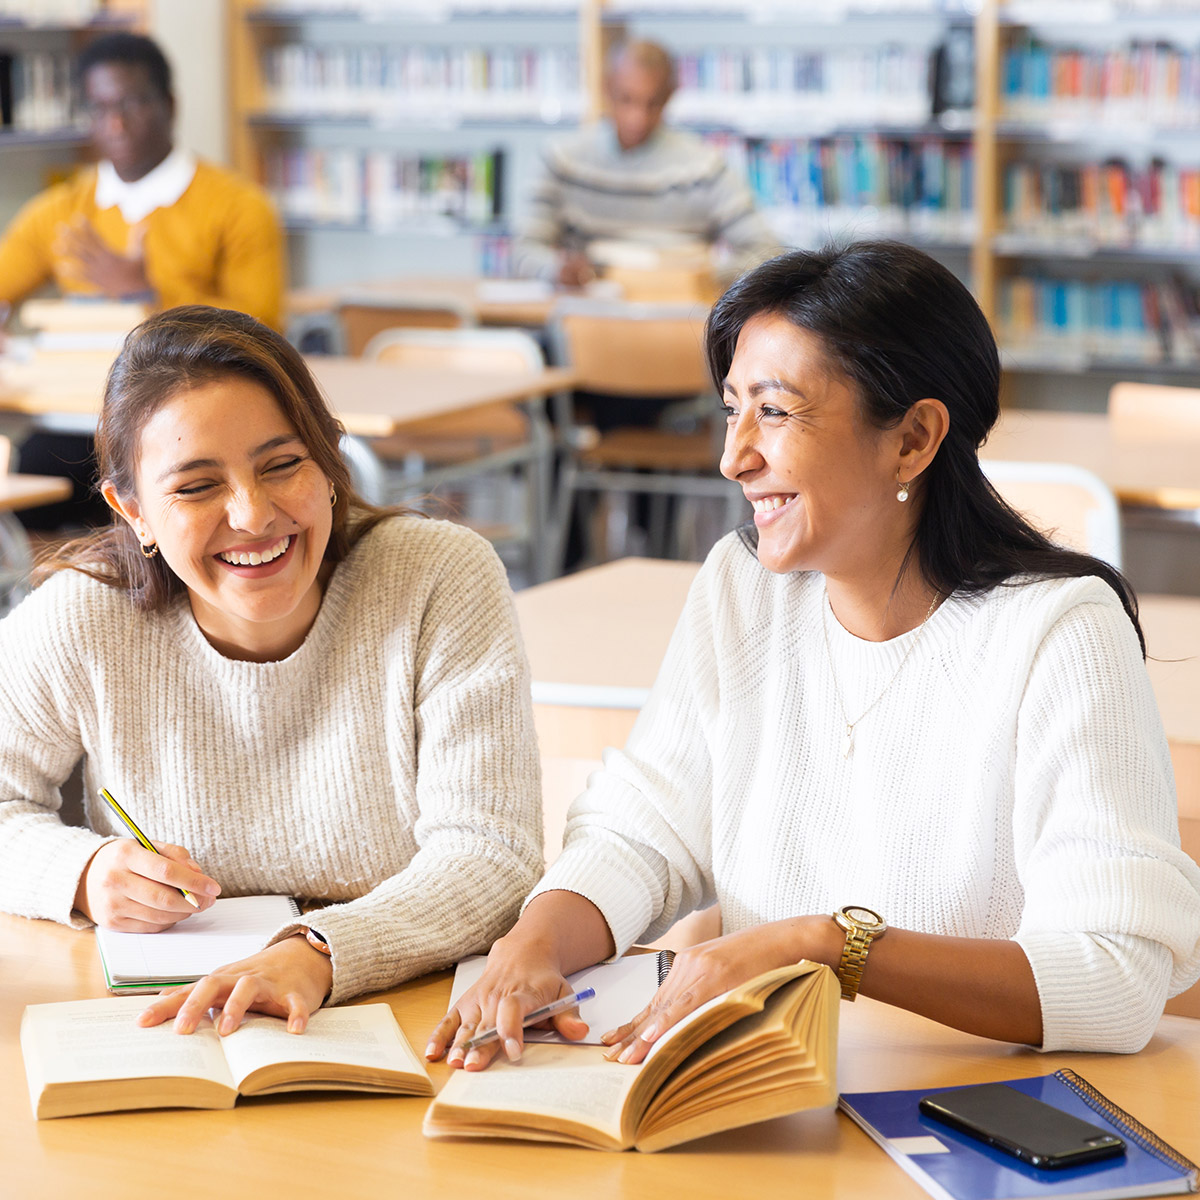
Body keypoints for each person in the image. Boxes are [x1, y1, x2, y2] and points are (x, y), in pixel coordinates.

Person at [429, 241, 1200, 1070]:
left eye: (777, 411)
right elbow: (642, 830)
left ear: (913, 440)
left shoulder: (1059, 632)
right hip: (772, 1096)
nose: (733, 458)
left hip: (971, 1122)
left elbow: (1116, 978)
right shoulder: (744, 587)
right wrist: (535, 941)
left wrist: (830, 945)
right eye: (732, 410)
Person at [0, 305, 543, 1035]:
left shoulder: (438, 579)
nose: (254, 515)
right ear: (133, 510)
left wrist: (318, 953)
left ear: (329, 460)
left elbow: (494, 852)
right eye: (196, 487)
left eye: (282, 464)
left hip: (397, 1007)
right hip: (163, 1022)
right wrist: (85, 873)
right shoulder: (81, 618)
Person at [0, 32, 285, 530]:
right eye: (99, 107)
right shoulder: (64, 210)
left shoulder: (239, 206)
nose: (115, 122)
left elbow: (262, 329)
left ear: (169, 105)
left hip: (197, 425)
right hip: (84, 428)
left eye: (131, 103)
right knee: (28, 487)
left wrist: (145, 295)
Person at [513, 40, 780, 288]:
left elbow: (767, 251)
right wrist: (555, 269)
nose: (637, 118)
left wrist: (705, 278)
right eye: (626, 99)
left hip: (677, 320)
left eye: (652, 103)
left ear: (670, 96)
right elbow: (523, 251)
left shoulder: (705, 168)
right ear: (607, 88)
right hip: (591, 313)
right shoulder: (561, 161)